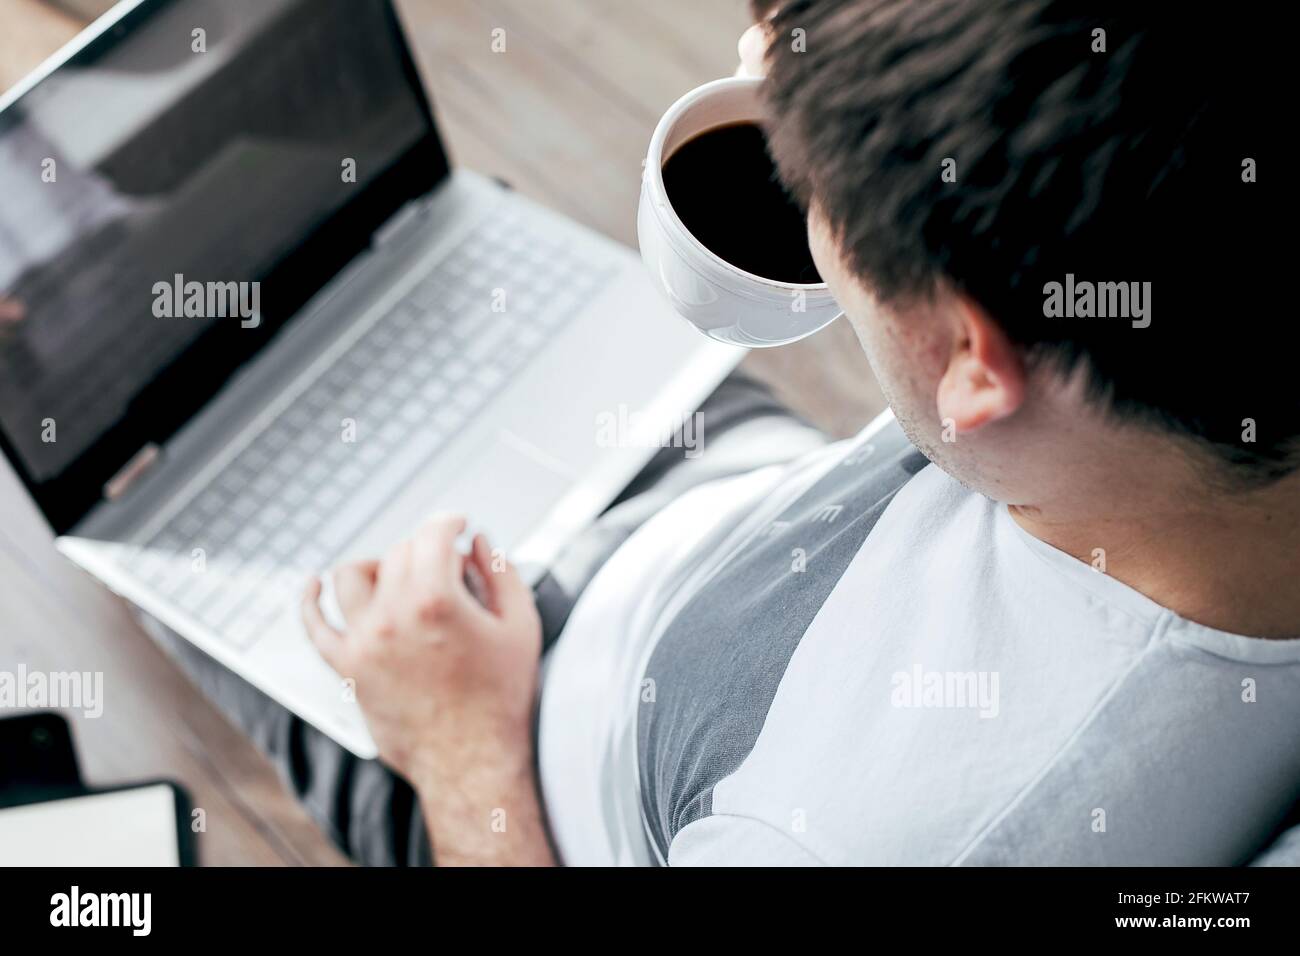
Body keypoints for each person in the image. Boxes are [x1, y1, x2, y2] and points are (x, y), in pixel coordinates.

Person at [162, 0, 1298, 865]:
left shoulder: (846, 832)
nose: (797, 199)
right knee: (414, 263)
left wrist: (458, 743)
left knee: (175, 483)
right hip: (752, 524)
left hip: (516, 752)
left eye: (812, 190)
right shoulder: (1133, 424)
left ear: (969, 358)